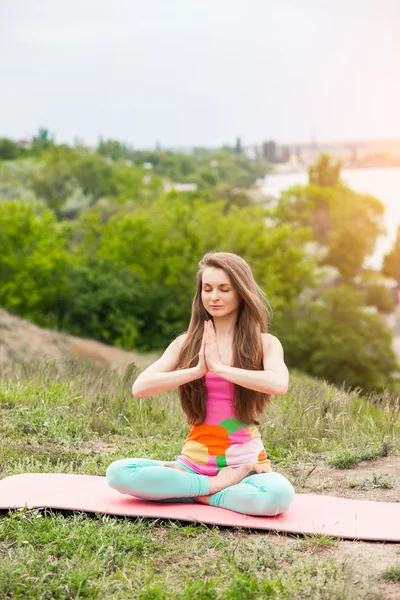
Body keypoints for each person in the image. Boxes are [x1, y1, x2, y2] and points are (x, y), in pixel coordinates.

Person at [106, 252, 295, 516]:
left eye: (223, 289)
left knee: (278, 496)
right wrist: (196, 370)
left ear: (241, 292)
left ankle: (196, 494)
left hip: (247, 467)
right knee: (118, 473)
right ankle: (211, 488)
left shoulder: (265, 343)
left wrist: (220, 368)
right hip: (193, 466)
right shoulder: (186, 343)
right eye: (207, 289)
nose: (214, 297)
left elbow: (278, 384)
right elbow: (140, 387)